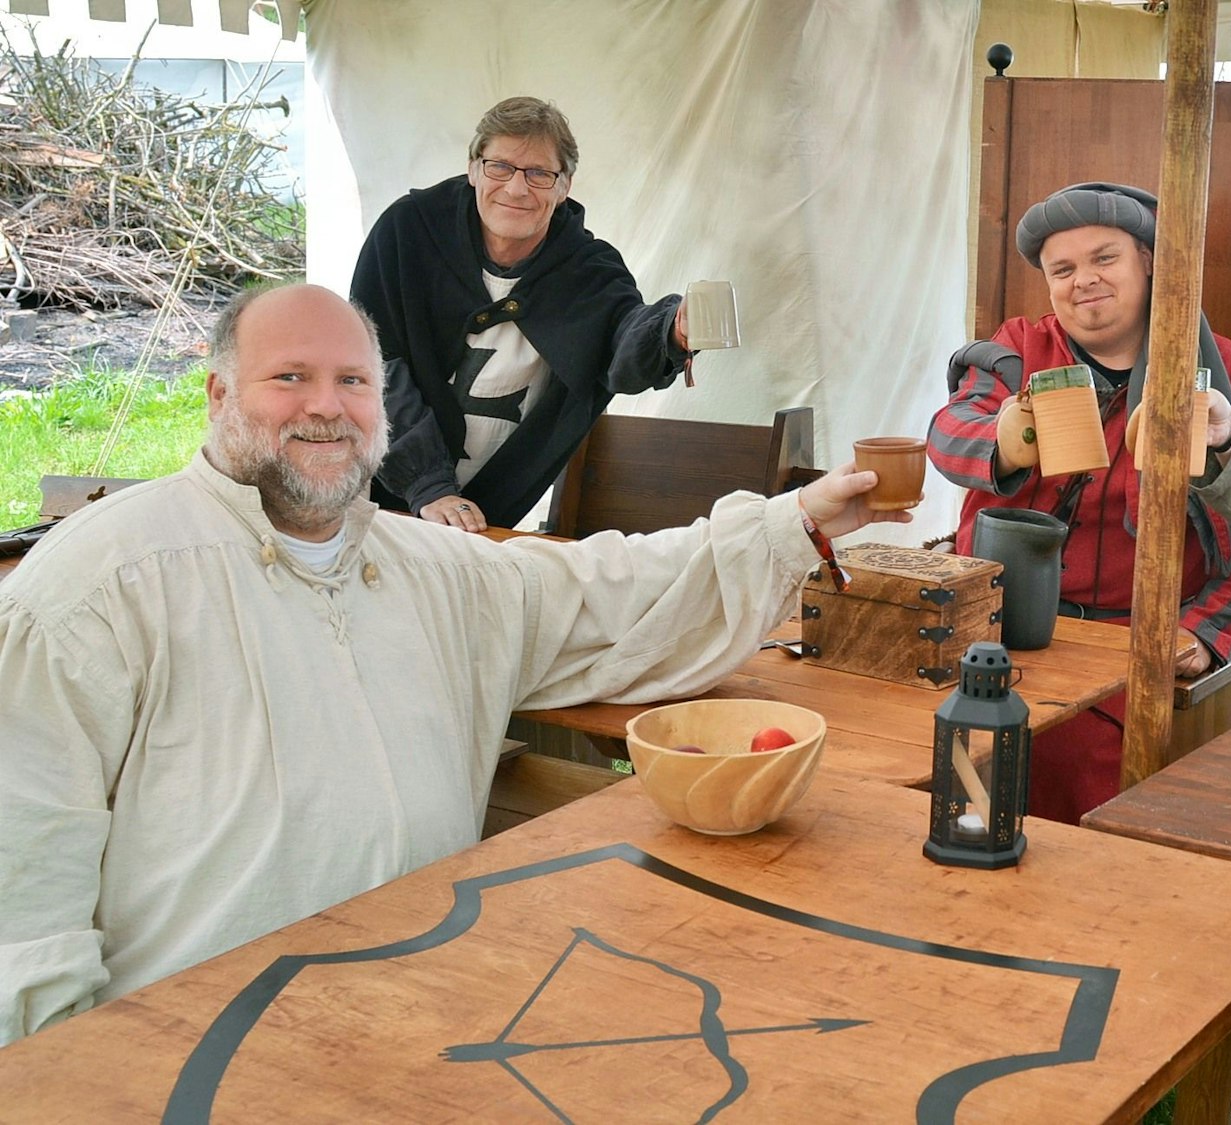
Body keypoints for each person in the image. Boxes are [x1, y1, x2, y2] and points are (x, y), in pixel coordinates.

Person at [0, 284, 905, 1045]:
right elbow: (23, 888)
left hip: (423, 1018)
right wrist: (71, 1077)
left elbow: (608, 591)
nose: (326, 404)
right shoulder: (98, 588)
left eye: (352, 380)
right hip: (196, 1053)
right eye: (289, 377)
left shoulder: (432, 568)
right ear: (216, 395)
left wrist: (793, 524)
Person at [927, 181, 1231, 822]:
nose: (1084, 282)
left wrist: (1208, 629)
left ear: (1149, 262)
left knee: (1083, 799)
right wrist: (1009, 440)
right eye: (1062, 269)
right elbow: (948, 434)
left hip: (1134, 651)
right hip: (999, 634)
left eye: (1105, 258)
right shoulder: (1020, 351)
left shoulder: (1224, 375)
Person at [352, 96, 693, 534]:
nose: (516, 188)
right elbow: (370, 364)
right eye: (500, 167)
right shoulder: (408, 233)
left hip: (488, 521)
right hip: (374, 502)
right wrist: (427, 485)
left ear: (564, 184)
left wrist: (669, 331)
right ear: (474, 168)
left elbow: (623, 343)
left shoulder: (589, 270)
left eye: (539, 174)